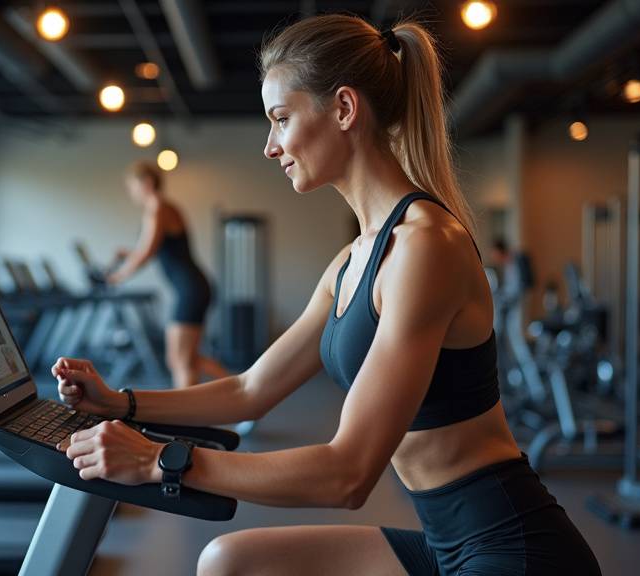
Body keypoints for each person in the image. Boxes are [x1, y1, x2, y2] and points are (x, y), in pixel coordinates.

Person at [53, 14, 600, 576]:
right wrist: (119, 402)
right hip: (443, 541)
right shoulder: (351, 262)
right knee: (227, 561)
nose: (270, 146)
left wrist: (158, 462)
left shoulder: (425, 247)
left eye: (281, 119)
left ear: (343, 108)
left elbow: (348, 474)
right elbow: (250, 389)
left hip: (512, 547)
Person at [107, 161, 229, 389]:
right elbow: (154, 250)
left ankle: (196, 415)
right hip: (193, 287)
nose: (130, 192)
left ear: (147, 182)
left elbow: (147, 251)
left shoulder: (157, 207)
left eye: (132, 186)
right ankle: (236, 394)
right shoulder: (161, 208)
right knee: (186, 359)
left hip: (191, 289)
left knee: (180, 360)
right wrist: (127, 255)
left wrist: (118, 277)